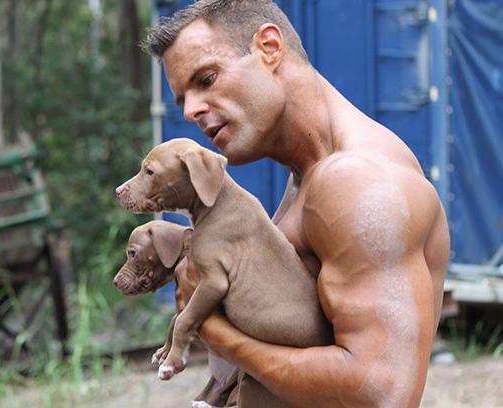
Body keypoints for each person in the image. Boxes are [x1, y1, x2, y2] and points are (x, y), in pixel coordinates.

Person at [140, 1, 451, 407]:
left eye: (207, 78)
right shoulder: (307, 177)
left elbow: (380, 392)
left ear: (269, 47)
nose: (190, 110)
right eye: (182, 97)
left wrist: (216, 333)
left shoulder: (355, 182)